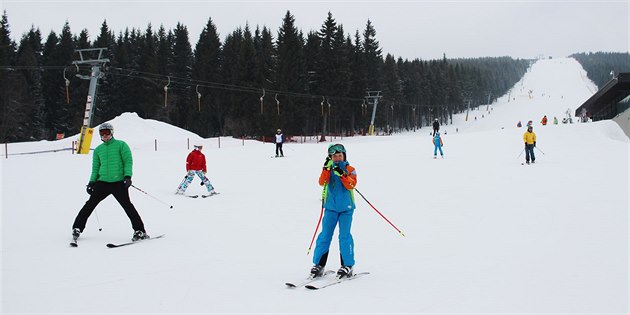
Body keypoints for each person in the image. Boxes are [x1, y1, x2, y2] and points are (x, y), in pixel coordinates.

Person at [71, 123, 149, 242]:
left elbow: (128, 161)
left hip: (118, 182)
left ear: (112, 133)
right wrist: (92, 182)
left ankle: (140, 231)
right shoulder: (98, 150)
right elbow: (95, 168)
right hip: (102, 183)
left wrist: (127, 176)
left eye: (107, 132)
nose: (105, 135)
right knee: (89, 205)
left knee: (127, 206)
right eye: (102, 133)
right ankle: (77, 227)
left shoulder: (121, 145)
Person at [310, 143, 358, 279]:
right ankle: (319, 265)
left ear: (344, 156)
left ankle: (347, 265)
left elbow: (352, 184)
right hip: (331, 208)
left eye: (339, 156)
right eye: (334, 156)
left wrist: (342, 174)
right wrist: (326, 169)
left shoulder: (350, 169)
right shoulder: (329, 169)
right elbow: (321, 182)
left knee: (344, 236)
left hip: (346, 209)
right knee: (325, 235)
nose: (337, 158)